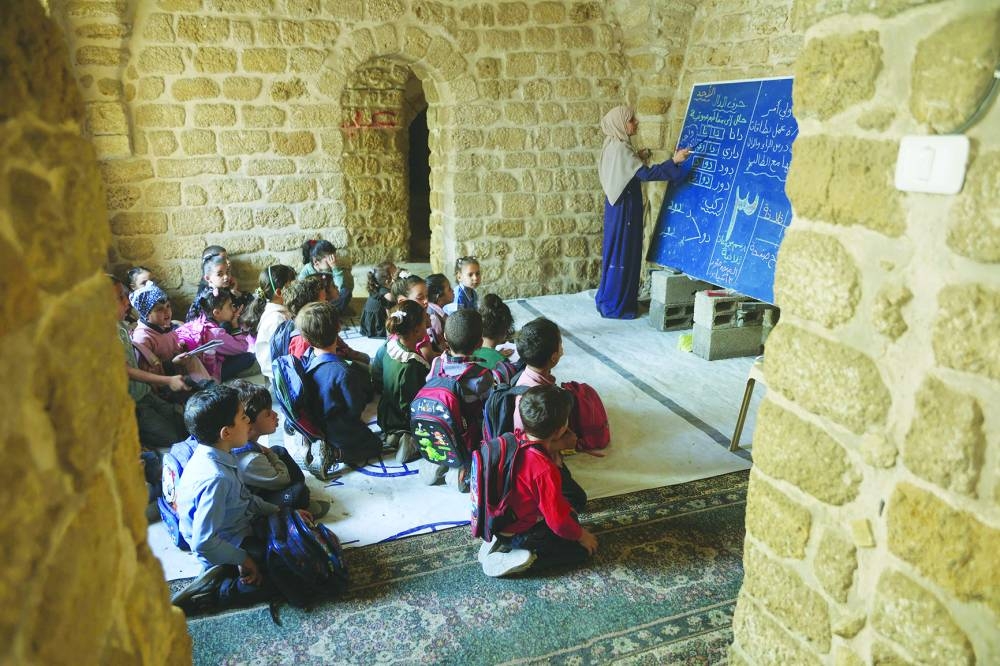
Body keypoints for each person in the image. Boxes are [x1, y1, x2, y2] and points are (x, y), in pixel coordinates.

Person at [169, 385, 279, 615]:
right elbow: (204, 542)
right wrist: (243, 559)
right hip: (222, 542)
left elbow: (245, 498)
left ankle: (229, 570)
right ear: (225, 433)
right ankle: (216, 590)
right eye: (242, 417)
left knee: (288, 514)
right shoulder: (215, 479)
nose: (249, 419)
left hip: (236, 521)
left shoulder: (218, 453)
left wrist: (280, 510)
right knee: (277, 573)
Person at [478, 384, 598, 577]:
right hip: (521, 531)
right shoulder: (544, 469)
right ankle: (523, 559)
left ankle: (500, 539)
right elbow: (558, 523)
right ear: (560, 430)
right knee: (580, 550)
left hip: (497, 520)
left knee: (570, 514)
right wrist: (582, 536)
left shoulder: (510, 439)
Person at [596, 105, 692, 319]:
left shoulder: (613, 143)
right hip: (625, 209)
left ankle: (610, 298)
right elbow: (647, 175)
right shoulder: (621, 149)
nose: (635, 123)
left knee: (615, 252)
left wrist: (638, 156)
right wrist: (674, 162)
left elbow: (624, 169)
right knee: (624, 253)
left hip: (616, 207)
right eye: (631, 120)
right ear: (621, 124)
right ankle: (618, 305)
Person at [227, 379, 329, 518]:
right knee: (299, 492)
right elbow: (283, 480)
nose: (275, 415)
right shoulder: (250, 460)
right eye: (268, 414)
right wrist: (270, 456)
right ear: (249, 426)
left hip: (258, 481)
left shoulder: (243, 441)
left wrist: (270, 454)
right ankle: (292, 513)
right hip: (253, 503)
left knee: (278, 450)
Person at [297, 302, 381, 466]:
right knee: (375, 445)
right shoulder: (343, 372)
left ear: (306, 339)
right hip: (338, 428)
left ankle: (317, 443)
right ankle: (334, 453)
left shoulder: (307, 359)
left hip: (317, 421)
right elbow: (355, 408)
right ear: (339, 327)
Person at [418, 309, 494, 488]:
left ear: (444, 336)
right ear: (480, 343)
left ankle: (438, 462)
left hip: (437, 426)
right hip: (465, 435)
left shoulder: (437, 363)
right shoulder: (482, 375)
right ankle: (460, 471)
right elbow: (489, 407)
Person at [111, 276, 188, 450]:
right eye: (120, 298)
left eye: (125, 295)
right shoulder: (106, 335)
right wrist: (168, 380)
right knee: (174, 438)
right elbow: (126, 370)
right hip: (133, 403)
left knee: (185, 423)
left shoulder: (120, 326)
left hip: (145, 393)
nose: (127, 302)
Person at [129, 282, 211, 390]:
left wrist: (181, 348)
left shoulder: (165, 327)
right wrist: (173, 363)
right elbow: (150, 376)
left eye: (168, 306)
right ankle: (208, 389)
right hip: (168, 384)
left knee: (194, 359)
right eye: (159, 309)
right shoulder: (143, 338)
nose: (167, 311)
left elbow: (172, 347)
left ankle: (209, 388)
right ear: (146, 314)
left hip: (179, 372)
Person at [377, 300, 430, 465]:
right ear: (415, 330)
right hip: (403, 418)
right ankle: (408, 441)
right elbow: (412, 404)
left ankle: (393, 434)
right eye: (424, 322)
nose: (427, 323)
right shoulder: (413, 365)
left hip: (385, 412)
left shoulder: (389, 346)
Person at [175, 288, 256, 383]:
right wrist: (235, 325)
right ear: (216, 312)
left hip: (195, 365)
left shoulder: (202, 319)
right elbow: (244, 347)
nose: (234, 309)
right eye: (230, 306)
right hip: (209, 373)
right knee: (249, 357)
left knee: (226, 326)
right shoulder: (216, 334)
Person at [241, 264, 297, 379]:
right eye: (292, 286)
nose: (296, 289)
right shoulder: (276, 320)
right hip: (281, 378)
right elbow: (285, 354)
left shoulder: (280, 311)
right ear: (279, 292)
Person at [511, 317, 562, 434]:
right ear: (554, 357)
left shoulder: (524, 376)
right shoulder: (540, 399)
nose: (562, 349)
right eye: (560, 344)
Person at [298, 239, 353, 313]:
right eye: (329, 260)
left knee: (346, 292)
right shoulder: (307, 270)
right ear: (316, 262)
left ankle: (330, 312)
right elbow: (300, 290)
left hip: (329, 300)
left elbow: (339, 287)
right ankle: (330, 312)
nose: (332, 262)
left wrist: (335, 268)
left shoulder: (333, 267)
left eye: (333, 258)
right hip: (315, 302)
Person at [475, 293, 515, 370]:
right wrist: (498, 356)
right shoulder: (500, 363)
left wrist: (498, 354)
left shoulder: (470, 350)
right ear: (504, 331)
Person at [360, 260, 396, 338]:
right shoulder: (386, 293)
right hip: (376, 324)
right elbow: (391, 302)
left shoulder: (377, 286)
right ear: (388, 281)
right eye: (395, 274)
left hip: (369, 320)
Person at [425, 273, 453, 352]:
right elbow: (437, 345)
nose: (453, 290)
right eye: (449, 289)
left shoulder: (434, 310)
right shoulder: (433, 318)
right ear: (438, 296)